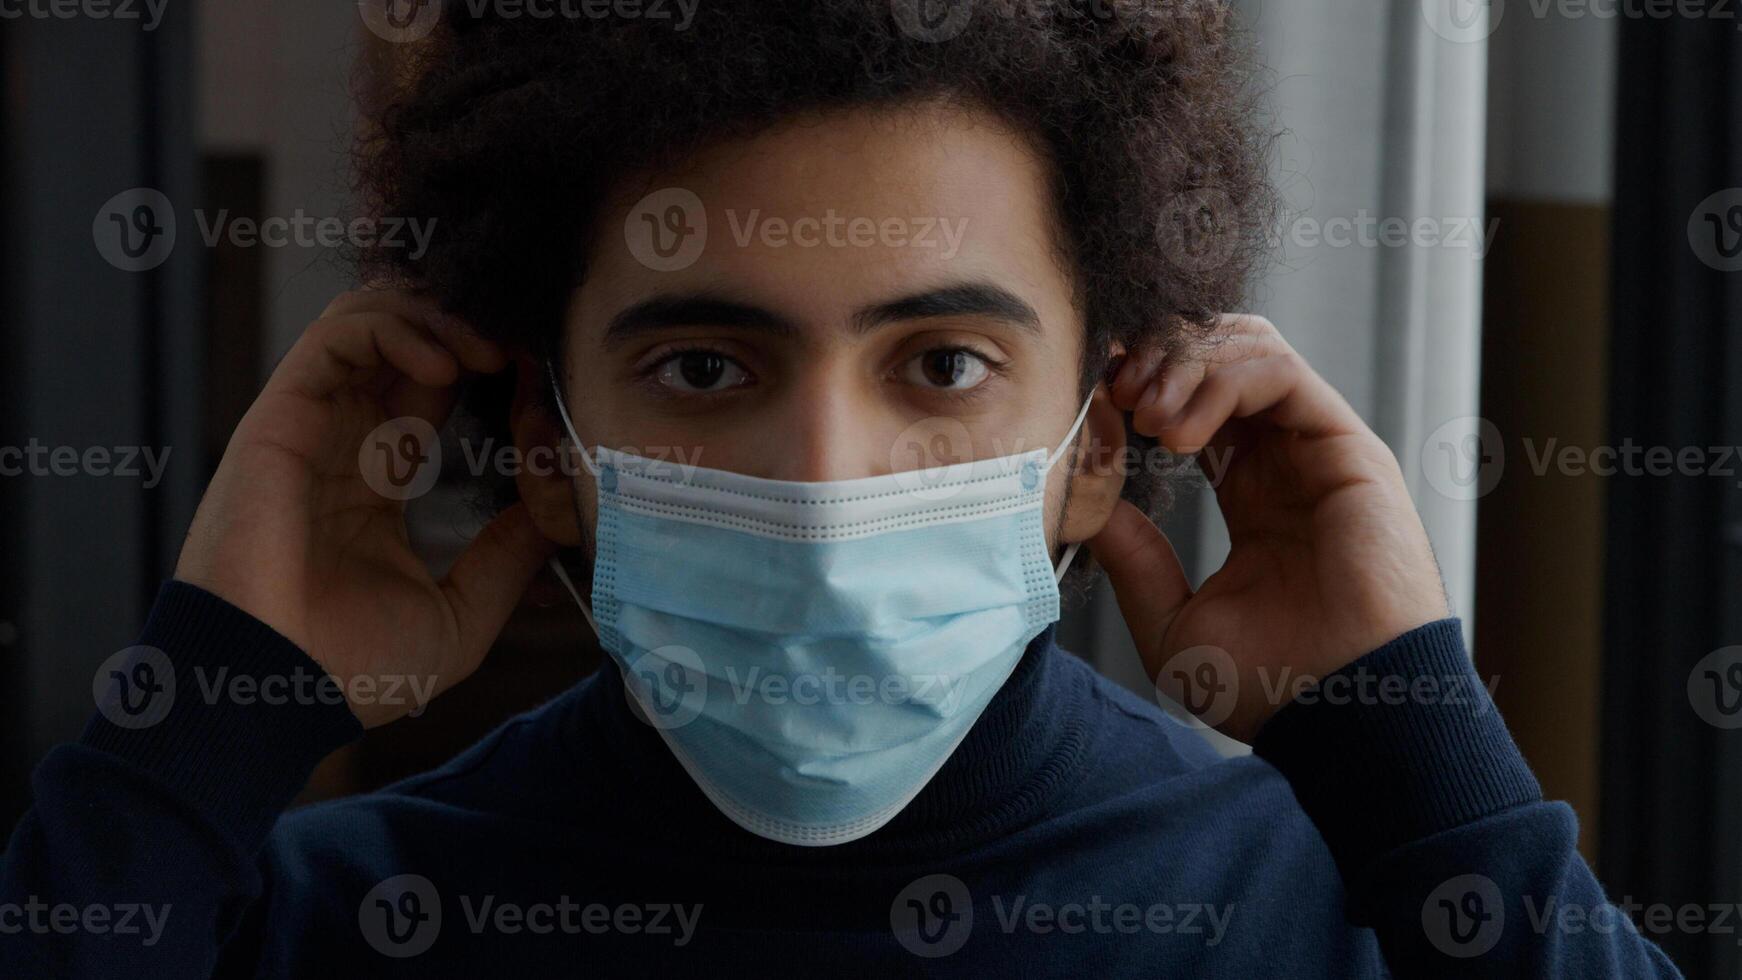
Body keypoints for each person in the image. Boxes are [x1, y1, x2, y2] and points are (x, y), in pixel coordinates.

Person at [1, 2, 1682, 976]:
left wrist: (1418, 750)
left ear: (1095, 447)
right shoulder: (327, 915)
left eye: (941, 363)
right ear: (546, 447)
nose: (821, 482)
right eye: (705, 368)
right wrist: (201, 719)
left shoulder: (1341, 908)